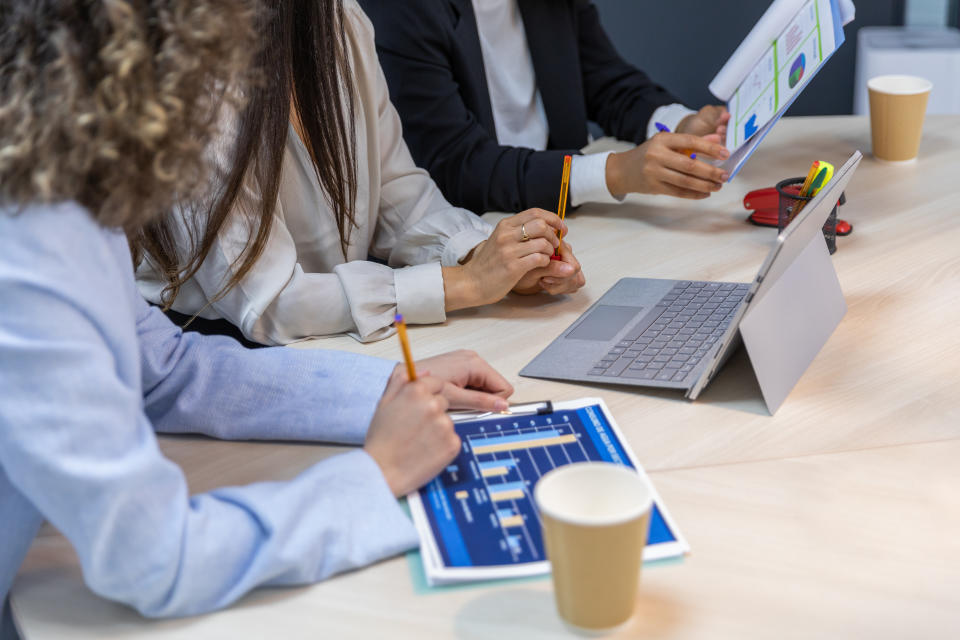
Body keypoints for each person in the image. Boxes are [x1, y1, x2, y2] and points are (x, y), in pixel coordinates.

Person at [0, 2, 514, 635]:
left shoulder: (56, 190)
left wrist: (382, 390)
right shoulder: (25, 257)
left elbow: (164, 369)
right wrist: (376, 473)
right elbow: (157, 559)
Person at [135, 0, 586, 347]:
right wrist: (466, 284)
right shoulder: (187, 70)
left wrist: (487, 257)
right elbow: (271, 304)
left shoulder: (338, 18)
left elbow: (398, 195)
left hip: (342, 341)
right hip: (219, 360)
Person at [358, 0, 733, 215]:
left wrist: (675, 124)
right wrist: (615, 171)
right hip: (478, 237)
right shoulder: (400, 8)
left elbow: (602, 78)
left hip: (566, 225)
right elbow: (456, 168)